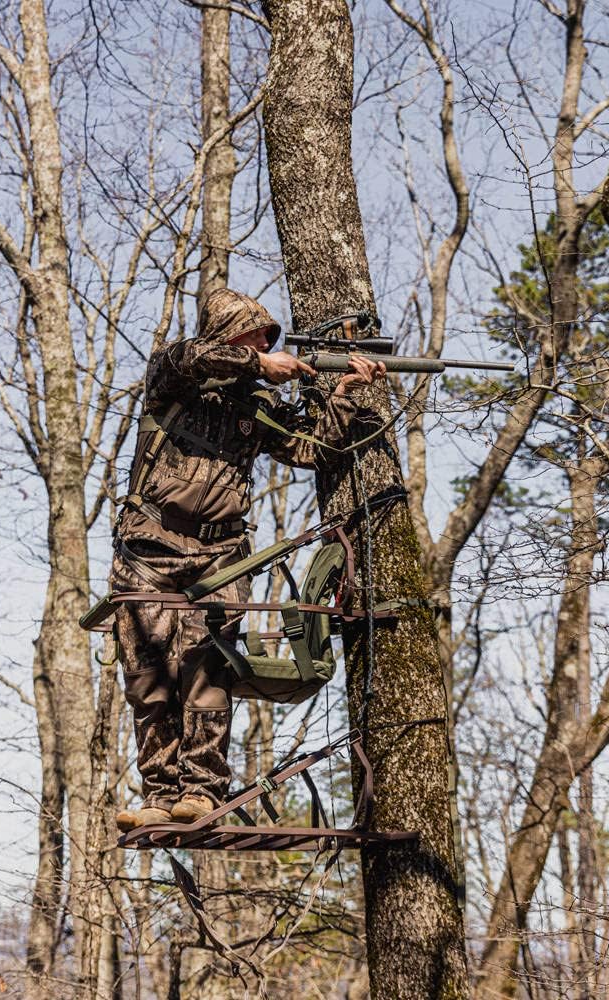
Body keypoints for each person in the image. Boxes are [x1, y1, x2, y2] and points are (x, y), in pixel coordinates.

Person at [112, 287, 386, 831]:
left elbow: (311, 450)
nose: (266, 345)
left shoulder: (256, 404)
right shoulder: (174, 376)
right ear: (230, 333)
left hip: (221, 555)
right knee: (149, 677)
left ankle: (201, 793)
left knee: (207, 671)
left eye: (268, 341)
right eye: (257, 336)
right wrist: (262, 364)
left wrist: (346, 393)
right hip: (148, 548)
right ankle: (159, 795)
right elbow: (187, 356)